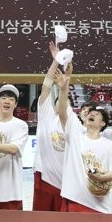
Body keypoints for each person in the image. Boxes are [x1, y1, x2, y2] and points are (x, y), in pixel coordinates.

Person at [55, 66, 112, 213]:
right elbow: (62, 112)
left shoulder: (111, 146)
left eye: (96, 114)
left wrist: (103, 178)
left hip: (99, 205)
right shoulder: (74, 136)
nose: (91, 114)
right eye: (89, 113)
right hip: (74, 200)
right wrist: (63, 89)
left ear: (103, 123)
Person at [33, 43, 66, 211]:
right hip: (44, 176)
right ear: (53, 105)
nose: (62, 104)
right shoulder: (47, 116)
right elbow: (46, 87)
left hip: (67, 180)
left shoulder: (73, 124)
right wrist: (55, 62)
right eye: (59, 101)